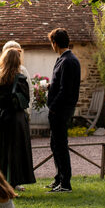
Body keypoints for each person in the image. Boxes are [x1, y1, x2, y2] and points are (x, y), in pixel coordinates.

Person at [0, 48, 36, 190]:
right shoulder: (20, 78)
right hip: (16, 117)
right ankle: (13, 182)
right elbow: (25, 101)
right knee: (16, 150)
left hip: (0, 115)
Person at [44, 28, 81, 193]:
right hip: (58, 109)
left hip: (60, 110)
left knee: (60, 145)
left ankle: (65, 183)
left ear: (55, 43)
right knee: (55, 145)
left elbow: (66, 90)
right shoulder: (63, 59)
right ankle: (59, 178)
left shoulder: (68, 61)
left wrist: (53, 107)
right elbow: (60, 84)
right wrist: (50, 87)